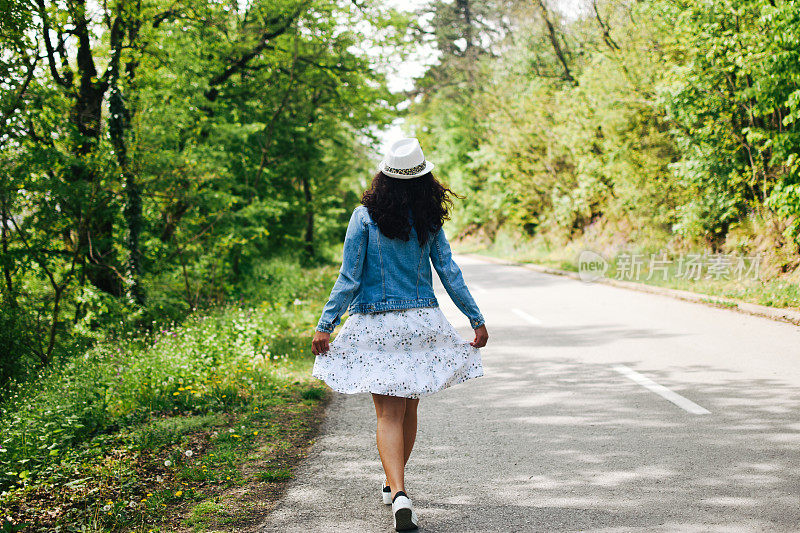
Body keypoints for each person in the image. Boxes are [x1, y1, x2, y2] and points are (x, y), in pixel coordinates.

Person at [311, 137, 489, 531]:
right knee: (409, 409)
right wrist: (475, 318)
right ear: (424, 178)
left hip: (376, 326)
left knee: (387, 414)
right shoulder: (427, 218)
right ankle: (396, 487)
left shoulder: (364, 217)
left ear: (383, 177)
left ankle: (399, 491)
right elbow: (449, 273)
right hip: (421, 325)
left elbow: (349, 278)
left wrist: (326, 324)